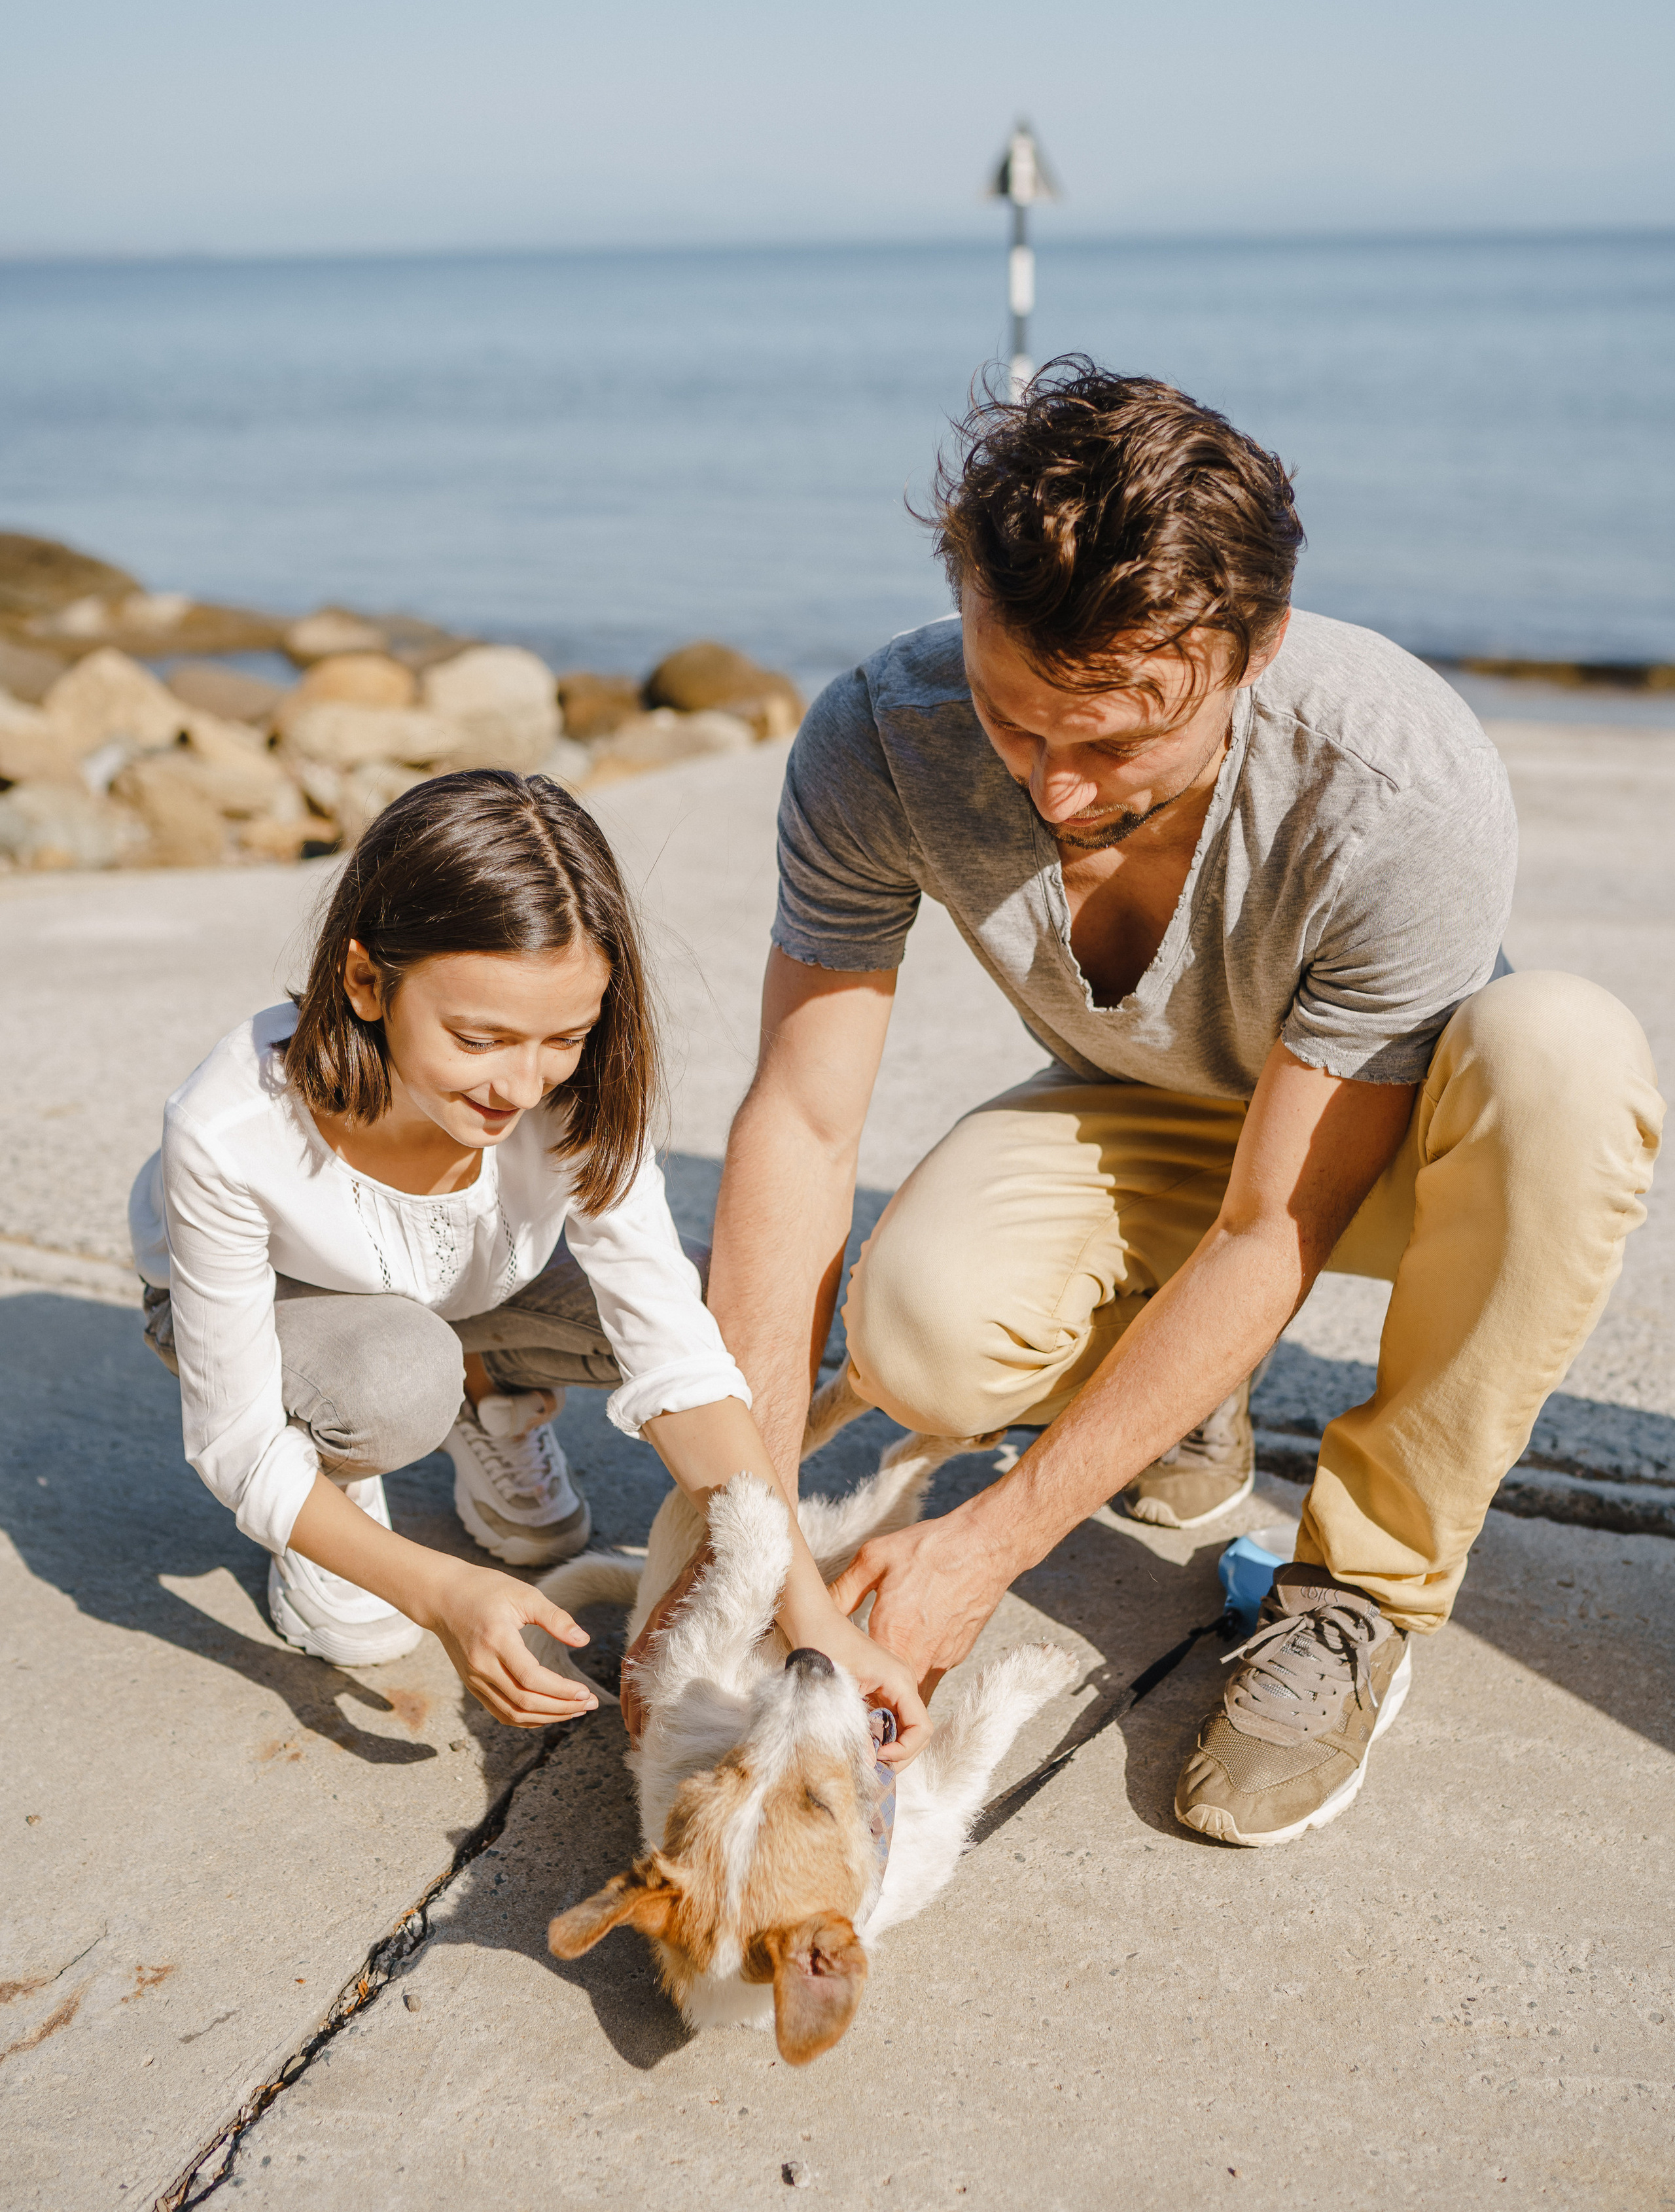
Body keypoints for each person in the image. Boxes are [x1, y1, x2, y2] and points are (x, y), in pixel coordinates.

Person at [660, 360, 1661, 1847]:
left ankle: (1360, 1594)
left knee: (1567, 1055)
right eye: (1014, 722)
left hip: (1395, 1146)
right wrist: (740, 1541)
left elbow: (1273, 1226)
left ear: (1255, 650)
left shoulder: (1396, 784)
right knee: (917, 1334)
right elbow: (800, 1124)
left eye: (1115, 741)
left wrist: (986, 1547)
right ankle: (1182, 1397)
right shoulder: (881, 737)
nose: (1054, 792)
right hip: (1151, 1116)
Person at [130, 767, 925, 1753]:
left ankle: (486, 1393)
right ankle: (344, 1463)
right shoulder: (228, 1130)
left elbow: (676, 1352)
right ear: (365, 982)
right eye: (480, 1038)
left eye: (566, 1037)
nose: (521, 1084)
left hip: (472, 1285)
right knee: (392, 1399)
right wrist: (439, 1590)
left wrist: (810, 1618)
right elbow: (234, 1440)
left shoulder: (577, 1091)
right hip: (301, 1316)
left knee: (717, 1300)